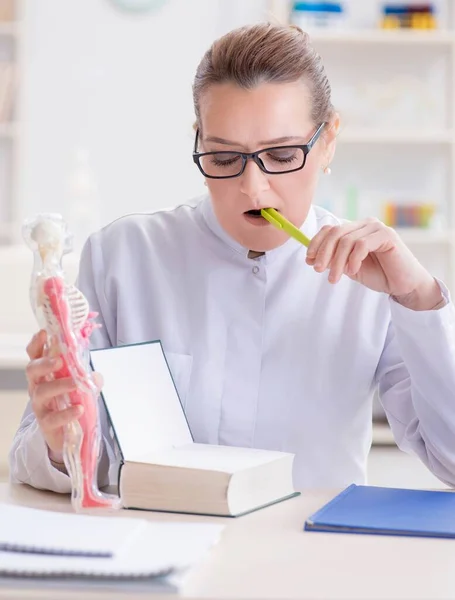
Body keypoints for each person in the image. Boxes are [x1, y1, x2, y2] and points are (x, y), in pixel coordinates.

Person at [9, 23, 455, 493]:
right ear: (200, 141)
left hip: (312, 558)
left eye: (283, 156)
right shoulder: (123, 257)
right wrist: (60, 442)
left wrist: (419, 297)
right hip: (158, 550)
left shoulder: (370, 279)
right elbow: (33, 462)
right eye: (224, 159)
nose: (253, 188)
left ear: (328, 141)